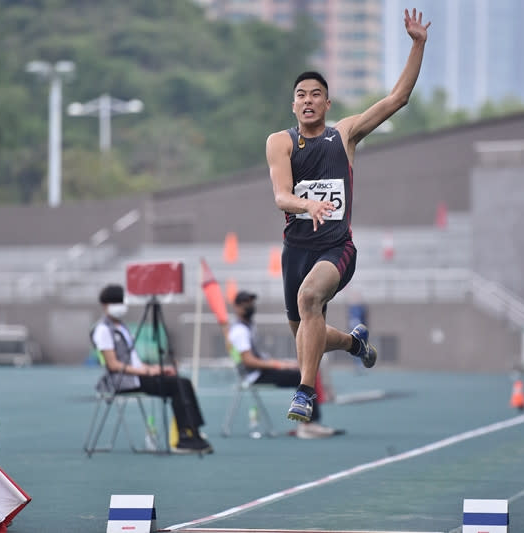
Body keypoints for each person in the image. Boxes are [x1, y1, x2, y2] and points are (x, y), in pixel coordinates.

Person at [265, 8, 431, 421]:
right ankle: (356, 344)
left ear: (327, 102)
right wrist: (308, 204)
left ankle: (305, 393)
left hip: (337, 247)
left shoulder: (345, 134)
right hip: (296, 250)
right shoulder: (279, 143)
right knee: (307, 334)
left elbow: (398, 99)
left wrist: (417, 44)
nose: (308, 100)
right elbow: (282, 197)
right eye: (301, 94)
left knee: (309, 299)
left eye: (315, 94)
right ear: (293, 105)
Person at [91, 284, 213, 454]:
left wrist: (158, 368)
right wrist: (148, 372)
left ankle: (193, 431)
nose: (120, 305)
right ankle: (184, 437)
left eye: (121, 301)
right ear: (105, 305)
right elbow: (113, 365)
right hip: (123, 381)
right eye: (115, 302)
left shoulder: (122, 327)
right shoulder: (103, 330)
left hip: (137, 376)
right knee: (178, 386)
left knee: (182, 382)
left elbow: (135, 362)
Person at [227, 290, 342, 439]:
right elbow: (249, 361)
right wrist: (278, 365)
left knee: (302, 370)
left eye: (251, 302)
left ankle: (308, 422)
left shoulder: (248, 327)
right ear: (236, 307)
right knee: (303, 375)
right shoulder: (239, 330)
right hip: (254, 376)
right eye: (245, 303)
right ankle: (308, 425)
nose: (249, 306)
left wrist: (282, 363)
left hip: (259, 372)